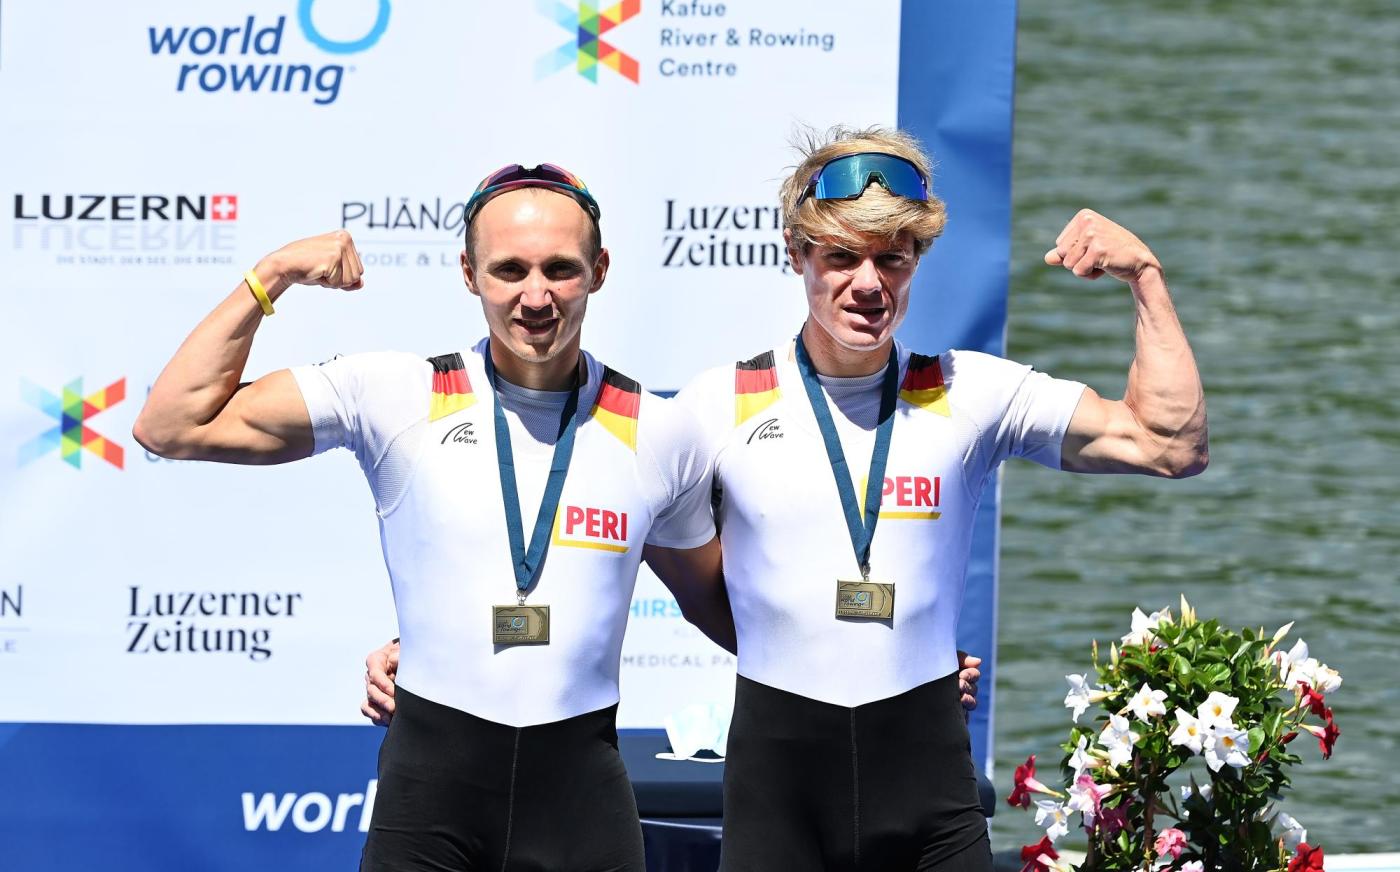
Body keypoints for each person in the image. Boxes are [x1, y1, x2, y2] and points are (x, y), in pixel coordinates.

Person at [134, 163, 738, 872]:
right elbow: (169, 424)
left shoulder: (659, 432)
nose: (535, 296)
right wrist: (272, 275)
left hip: (581, 798)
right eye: (509, 269)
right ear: (468, 273)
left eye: (560, 269)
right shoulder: (398, 395)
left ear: (598, 271)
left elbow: (720, 608)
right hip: (430, 799)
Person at [679, 127, 1206, 871]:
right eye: (842, 257)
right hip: (779, 794)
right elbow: (666, 565)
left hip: (928, 787)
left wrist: (1145, 277)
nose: (869, 284)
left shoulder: (970, 391)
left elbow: (1170, 444)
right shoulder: (717, 406)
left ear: (917, 260)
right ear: (796, 252)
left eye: (892, 258)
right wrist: (814, 640)